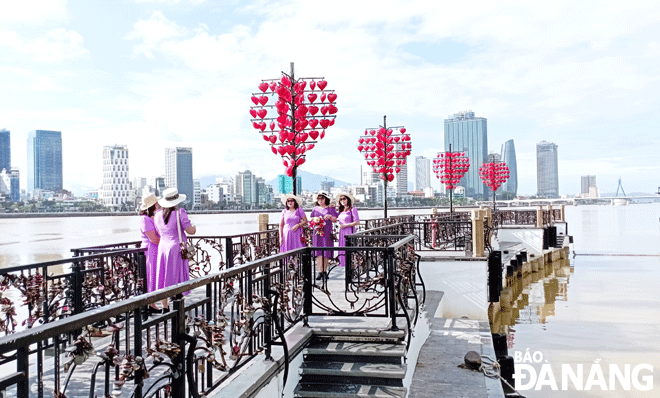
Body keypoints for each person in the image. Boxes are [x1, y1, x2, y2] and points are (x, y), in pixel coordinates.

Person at [154, 187, 197, 311]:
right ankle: (177, 304)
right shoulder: (180, 212)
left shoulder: (157, 215)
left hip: (162, 247)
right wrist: (193, 226)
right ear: (176, 201)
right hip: (176, 248)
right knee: (177, 276)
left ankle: (164, 307)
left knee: (163, 275)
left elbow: (159, 231)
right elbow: (191, 231)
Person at [138, 193, 160, 312]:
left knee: (155, 274)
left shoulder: (151, 218)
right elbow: (154, 239)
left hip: (155, 249)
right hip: (150, 250)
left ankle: (153, 302)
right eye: (156, 203)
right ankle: (151, 303)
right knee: (151, 275)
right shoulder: (145, 219)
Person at [309, 191, 338, 280]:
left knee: (326, 252)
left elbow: (335, 219)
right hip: (317, 233)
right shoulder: (315, 209)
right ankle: (319, 271)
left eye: (322, 198)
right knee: (318, 252)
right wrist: (316, 222)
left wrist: (330, 216)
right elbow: (311, 219)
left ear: (326, 199)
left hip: (327, 232)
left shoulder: (330, 209)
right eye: (318, 199)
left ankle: (325, 271)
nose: (320, 200)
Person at [336, 192, 360, 268]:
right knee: (342, 248)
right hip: (342, 232)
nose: (342, 201)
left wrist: (346, 225)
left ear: (348, 200)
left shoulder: (353, 209)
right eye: (341, 199)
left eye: (344, 199)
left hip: (349, 231)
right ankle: (343, 263)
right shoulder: (341, 211)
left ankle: (352, 264)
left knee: (350, 248)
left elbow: (357, 222)